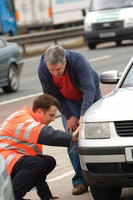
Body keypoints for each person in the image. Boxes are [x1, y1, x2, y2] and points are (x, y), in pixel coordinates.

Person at [38, 45, 102, 195]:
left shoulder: (78, 60)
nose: (55, 73)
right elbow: (51, 97)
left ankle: (99, 177)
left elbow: (89, 88)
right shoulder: (43, 68)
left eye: (58, 70)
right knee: (72, 139)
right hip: (68, 101)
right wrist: (69, 116)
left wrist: (83, 116)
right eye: (51, 70)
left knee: (96, 136)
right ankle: (80, 181)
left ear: (65, 62)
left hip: (90, 96)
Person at [0, 94, 80, 200]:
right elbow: (46, 134)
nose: (53, 119)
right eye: (51, 115)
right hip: (3, 161)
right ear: (39, 112)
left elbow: (38, 171)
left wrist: (46, 196)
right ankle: (11, 197)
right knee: (35, 163)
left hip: (9, 163)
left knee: (47, 162)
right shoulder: (23, 118)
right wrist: (71, 137)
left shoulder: (34, 126)